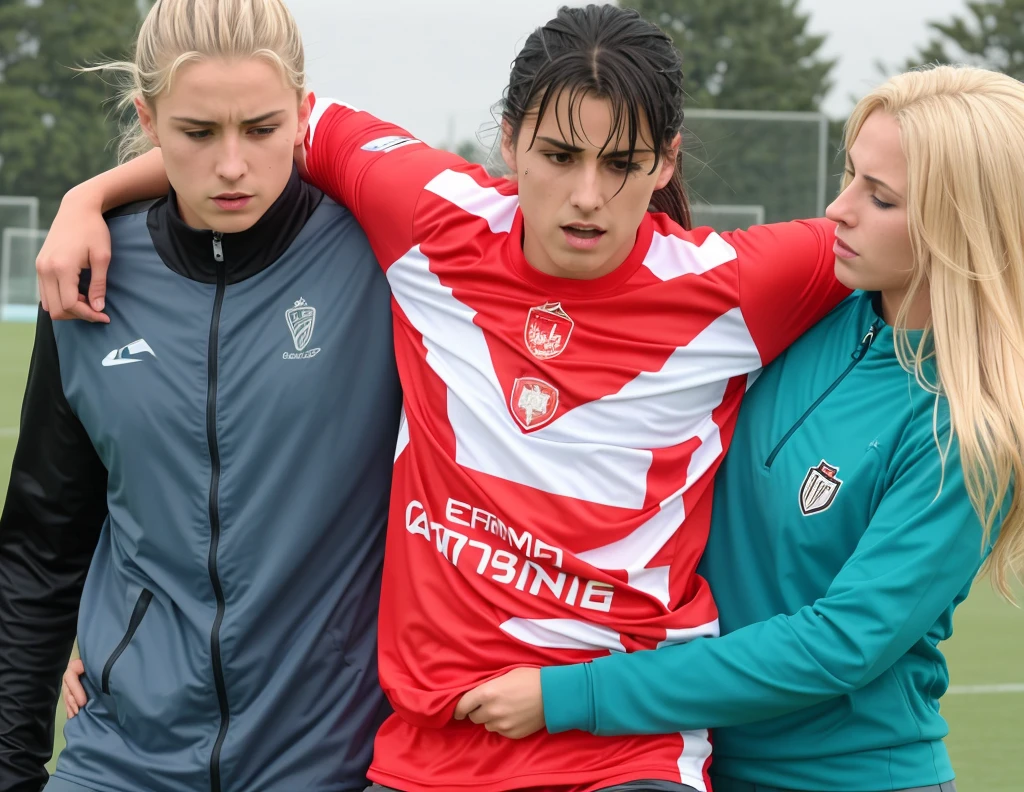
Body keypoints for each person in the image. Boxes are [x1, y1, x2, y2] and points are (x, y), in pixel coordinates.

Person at [38, 5, 852, 790]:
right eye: (560, 154)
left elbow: (918, 218)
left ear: (665, 161)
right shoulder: (430, 217)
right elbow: (250, 127)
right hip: (427, 757)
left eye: (622, 164)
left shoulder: (739, 285)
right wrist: (89, 196)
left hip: (624, 752)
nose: (587, 195)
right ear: (509, 140)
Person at [450, 65, 1024, 792]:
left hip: (850, 779)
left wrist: (575, 693)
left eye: (880, 198)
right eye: (851, 176)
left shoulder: (967, 433)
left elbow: (838, 645)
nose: (838, 209)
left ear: (960, 226)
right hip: (698, 765)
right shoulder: (805, 310)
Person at [0, 1, 401, 791]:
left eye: (260, 129)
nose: (230, 165)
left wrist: (91, 188)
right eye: (197, 132)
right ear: (148, 119)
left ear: (303, 116)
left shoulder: (380, 259)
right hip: (120, 757)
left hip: (330, 763)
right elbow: (42, 550)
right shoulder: (91, 278)